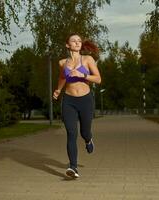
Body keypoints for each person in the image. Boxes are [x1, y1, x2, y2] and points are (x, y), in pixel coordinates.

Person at [53, 33, 101, 178]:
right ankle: (73, 167)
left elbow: (98, 79)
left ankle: (88, 139)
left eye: (79, 40)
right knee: (71, 134)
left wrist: (83, 76)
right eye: (73, 41)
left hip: (85, 100)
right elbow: (62, 77)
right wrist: (58, 90)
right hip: (69, 101)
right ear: (68, 45)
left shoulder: (87, 59)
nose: (77, 42)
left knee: (84, 132)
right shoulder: (62, 62)